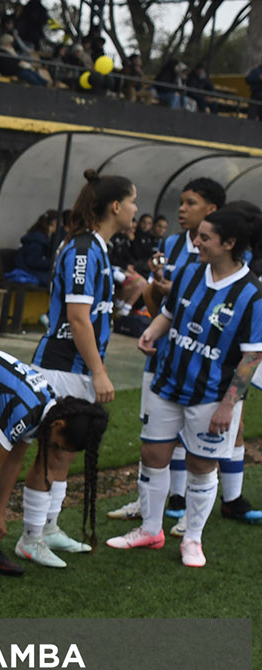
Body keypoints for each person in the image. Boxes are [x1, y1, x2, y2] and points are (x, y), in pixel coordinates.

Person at [108, 208, 262, 566]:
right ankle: (151, 529)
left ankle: (192, 538)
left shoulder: (252, 295)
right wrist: (152, 331)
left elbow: (251, 358)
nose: (196, 242)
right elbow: (171, 313)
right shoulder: (191, 273)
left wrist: (229, 406)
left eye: (205, 238)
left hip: (212, 396)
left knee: (200, 465)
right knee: (153, 456)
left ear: (229, 243)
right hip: (167, 384)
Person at [22, 169, 136, 567]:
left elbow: (97, 313)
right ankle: (31, 537)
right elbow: (77, 316)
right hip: (62, 367)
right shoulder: (84, 250)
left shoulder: (98, 248)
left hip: (78, 368)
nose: (137, 209)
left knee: (66, 453)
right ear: (116, 206)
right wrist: (99, 372)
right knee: (51, 453)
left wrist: (124, 302)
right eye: (133, 201)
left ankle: (48, 527)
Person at [109, 177, 225, 525]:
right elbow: (153, 302)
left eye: (191, 202)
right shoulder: (171, 244)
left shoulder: (226, 251)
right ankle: (153, 507)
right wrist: (160, 290)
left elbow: (222, 308)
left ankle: (187, 510)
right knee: (155, 433)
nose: (182, 208)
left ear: (211, 210)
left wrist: (179, 293)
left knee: (197, 442)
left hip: (203, 361)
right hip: (163, 352)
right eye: (182, 202)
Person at [0, 345, 108, 575]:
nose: (55, 450)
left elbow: (13, 462)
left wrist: (0, 515)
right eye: (58, 445)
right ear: (59, 425)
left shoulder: (46, 410)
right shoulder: (25, 411)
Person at [16, 211, 58, 287]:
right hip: (29, 271)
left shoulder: (39, 236)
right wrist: (52, 263)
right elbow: (32, 261)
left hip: (29, 270)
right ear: (54, 223)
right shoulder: (37, 240)